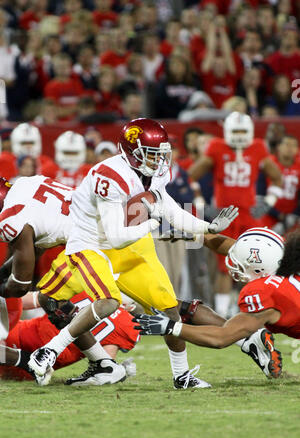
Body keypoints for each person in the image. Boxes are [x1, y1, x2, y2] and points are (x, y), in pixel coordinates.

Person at [28, 117, 239, 389]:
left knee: (169, 308)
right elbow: (115, 237)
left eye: (162, 153)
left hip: (131, 246)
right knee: (80, 301)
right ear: (131, 152)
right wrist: (153, 222)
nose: (160, 161)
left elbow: (169, 207)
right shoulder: (110, 177)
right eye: (152, 155)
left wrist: (207, 226)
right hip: (91, 245)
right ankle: (54, 352)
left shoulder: (156, 171)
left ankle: (182, 376)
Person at [0, 174, 126, 385]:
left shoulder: (11, 218)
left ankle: (40, 357)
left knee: (109, 301)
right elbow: (37, 244)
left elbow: (21, 286)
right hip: (111, 228)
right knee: (51, 300)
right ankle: (103, 363)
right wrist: (3, 272)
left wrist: (3, 286)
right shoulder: (25, 184)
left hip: (96, 244)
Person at [134, 227, 300, 380]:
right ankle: (250, 340)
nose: (235, 265)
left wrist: (171, 327)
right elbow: (233, 248)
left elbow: (221, 338)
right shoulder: (280, 260)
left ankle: (250, 339)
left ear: (259, 269)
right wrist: (195, 234)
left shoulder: (270, 294)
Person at [188, 111, 283, 319]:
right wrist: (200, 201)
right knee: (225, 265)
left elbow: (277, 178)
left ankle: (257, 307)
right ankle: (222, 312)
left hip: (249, 215)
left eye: (242, 131)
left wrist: (268, 202)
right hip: (225, 216)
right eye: (236, 131)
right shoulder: (217, 147)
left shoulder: (258, 147)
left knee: (257, 264)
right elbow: (191, 175)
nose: (239, 135)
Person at [0, 291, 139, 384]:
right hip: (39, 367)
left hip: (20, 333)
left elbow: (29, 300)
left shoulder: (85, 291)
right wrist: (120, 369)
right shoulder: (126, 324)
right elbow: (105, 362)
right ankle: (23, 360)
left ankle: (22, 359)